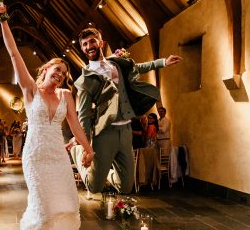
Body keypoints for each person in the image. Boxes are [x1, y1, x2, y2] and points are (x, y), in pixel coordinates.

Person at [0, 2, 94, 230]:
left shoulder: (65, 96)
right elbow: (14, 54)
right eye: (56, 69)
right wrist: (4, 20)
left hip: (58, 157)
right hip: (36, 156)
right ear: (45, 70)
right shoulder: (30, 91)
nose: (60, 74)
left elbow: (75, 124)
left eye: (64, 72)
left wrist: (88, 149)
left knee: (65, 202)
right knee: (41, 205)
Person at [70, 26, 181, 194]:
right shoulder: (85, 80)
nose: (88, 46)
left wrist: (163, 62)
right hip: (105, 132)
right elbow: (84, 116)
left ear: (101, 42)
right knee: (94, 187)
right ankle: (75, 151)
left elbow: (138, 67)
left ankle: (106, 174)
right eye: (84, 44)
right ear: (82, 48)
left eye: (92, 41)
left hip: (126, 130)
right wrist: (85, 148)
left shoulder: (117, 63)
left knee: (126, 186)